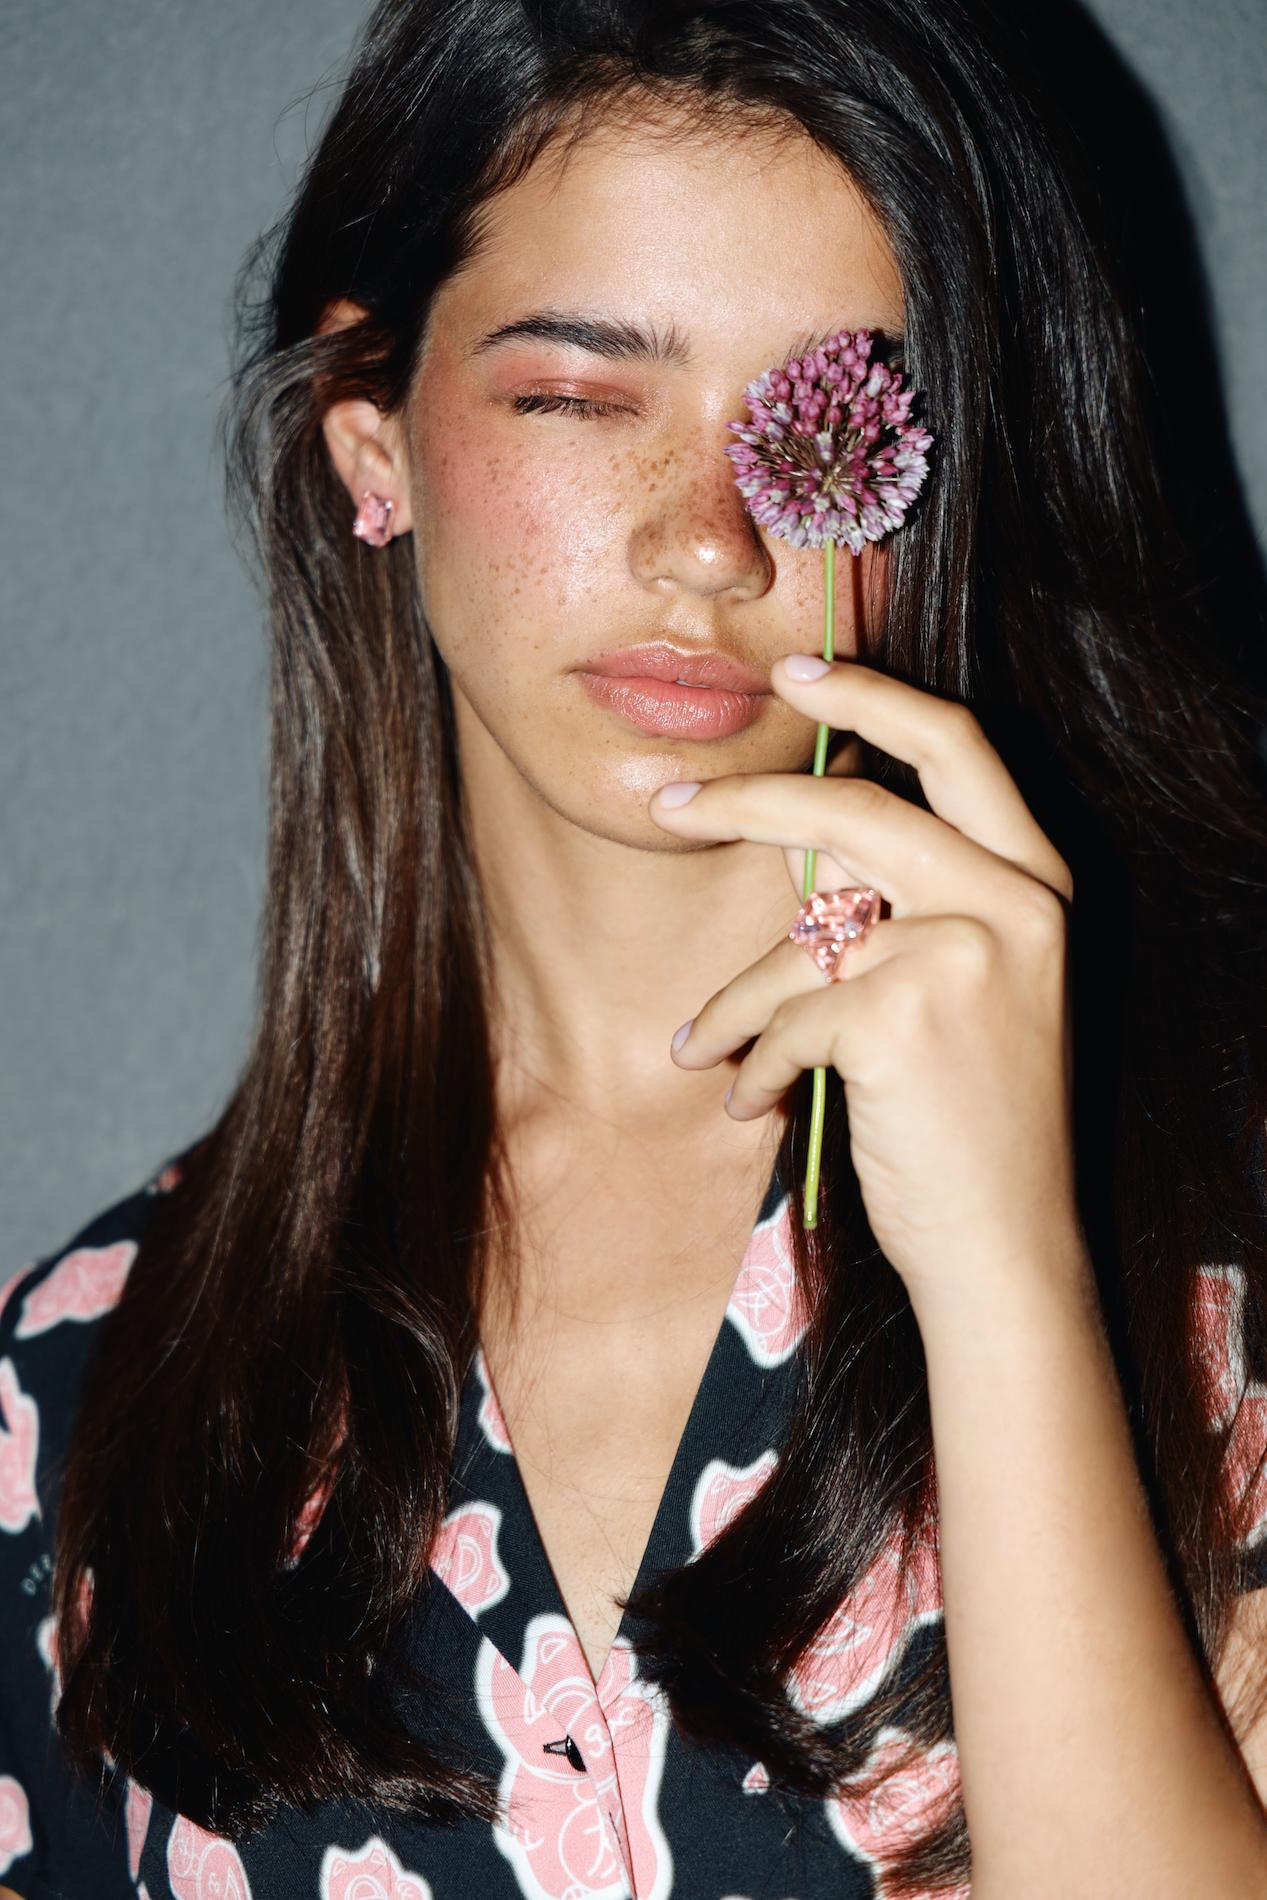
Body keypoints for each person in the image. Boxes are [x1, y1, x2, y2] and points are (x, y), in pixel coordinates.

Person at [3, 0, 1267, 1894]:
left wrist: (1007, 1272)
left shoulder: (1211, 1228)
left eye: (823, 428)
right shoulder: (85, 1402)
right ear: (378, 443)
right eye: (582, 398)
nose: (708, 543)